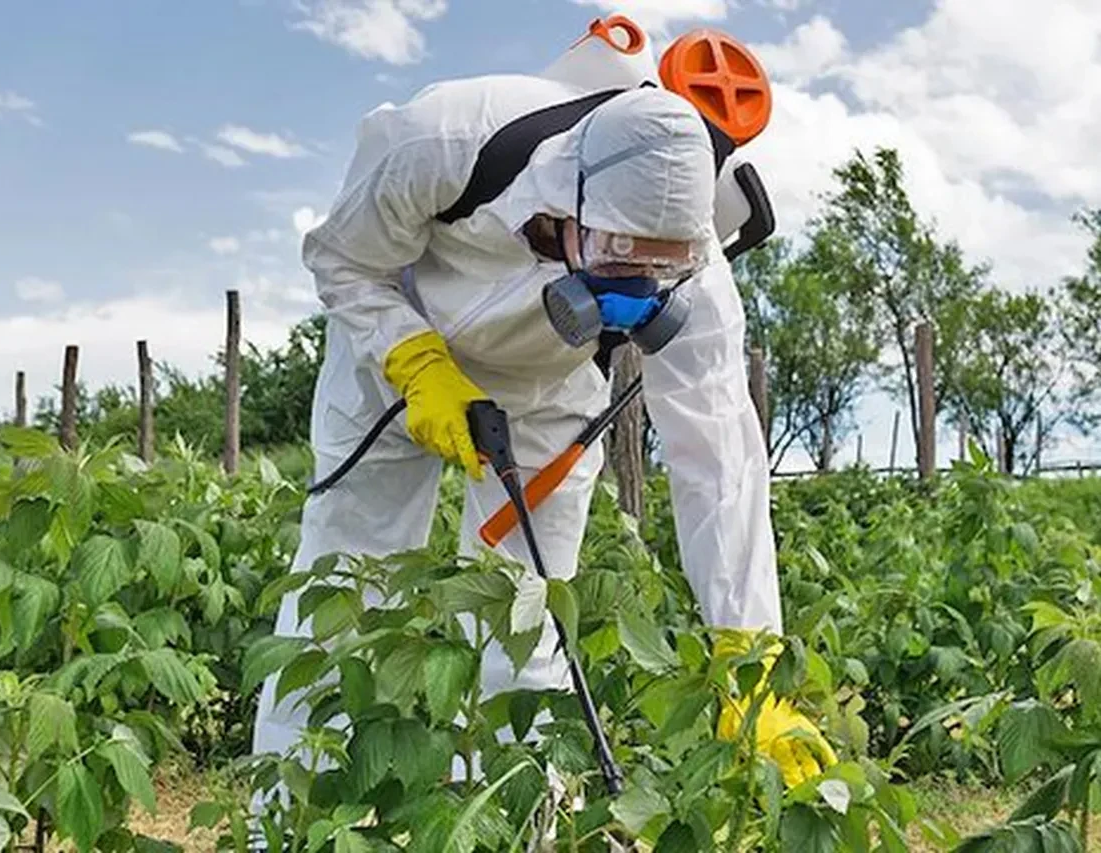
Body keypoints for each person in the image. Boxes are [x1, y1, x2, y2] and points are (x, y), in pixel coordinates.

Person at [251, 63, 836, 796]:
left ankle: (515, 819)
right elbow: (343, 259)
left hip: (545, 389)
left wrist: (748, 653)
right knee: (344, 583)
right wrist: (413, 358)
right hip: (392, 355)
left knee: (522, 613)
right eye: (619, 258)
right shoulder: (445, 139)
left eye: (660, 270)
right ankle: (284, 818)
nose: (635, 289)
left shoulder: (700, 280)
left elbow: (721, 462)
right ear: (571, 201)